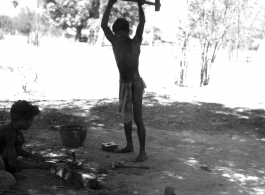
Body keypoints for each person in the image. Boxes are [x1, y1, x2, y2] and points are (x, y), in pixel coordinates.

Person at [101, 0, 147, 162]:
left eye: (122, 34)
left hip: (135, 83)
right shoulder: (114, 42)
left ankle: (142, 152)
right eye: (117, 34)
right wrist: (109, 4)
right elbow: (104, 26)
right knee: (126, 117)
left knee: (137, 117)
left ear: (127, 32)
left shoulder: (135, 42)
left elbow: (142, 22)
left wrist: (140, 5)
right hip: (123, 83)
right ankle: (129, 145)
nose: (119, 37)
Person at [0, 100, 51, 174]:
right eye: (30, 120)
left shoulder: (14, 131)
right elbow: (12, 164)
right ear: (22, 120)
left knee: (20, 139)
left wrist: (34, 156)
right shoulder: (10, 133)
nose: (31, 123)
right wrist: (38, 166)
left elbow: (14, 150)